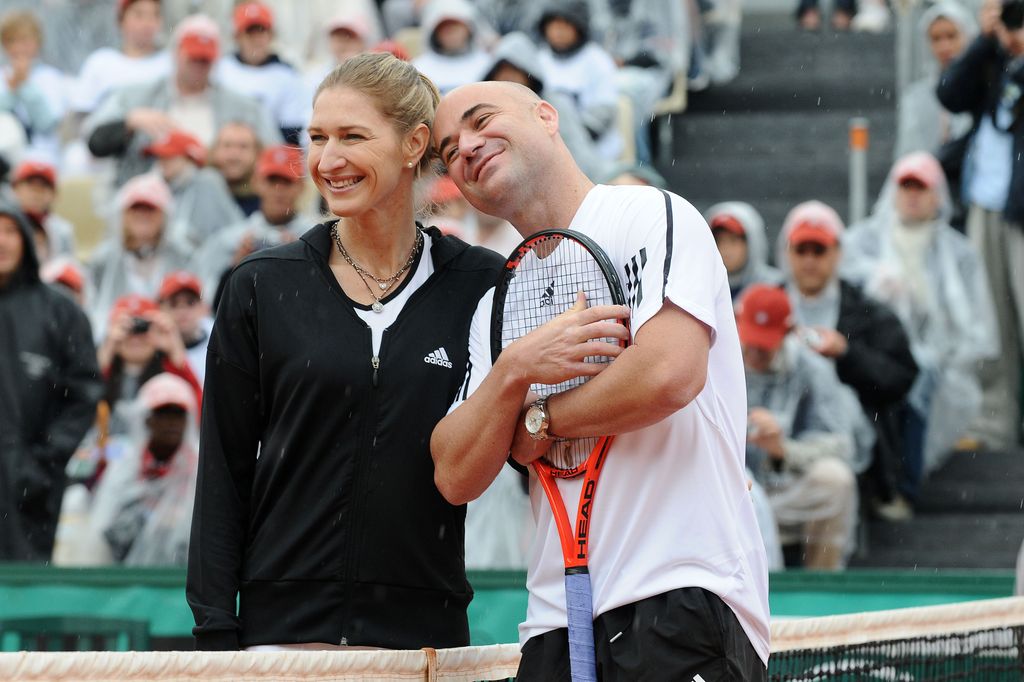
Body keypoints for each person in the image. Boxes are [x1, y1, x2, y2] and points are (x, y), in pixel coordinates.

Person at [431, 81, 770, 680]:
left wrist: (538, 422)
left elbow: (669, 372)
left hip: (680, 590)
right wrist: (515, 369)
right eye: (450, 150)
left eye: (482, 121)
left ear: (547, 116)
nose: (467, 148)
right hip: (554, 624)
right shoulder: (496, 303)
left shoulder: (650, 213)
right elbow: (455, 473)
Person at [186, 52, 504, 651]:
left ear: (414, 144)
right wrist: (215, 631)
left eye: (352, 137)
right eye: (317, 138)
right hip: (281, 638)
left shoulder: (481, 284)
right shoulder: (260, 285)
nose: (327, 160)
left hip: (424, 642)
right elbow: (224, 472)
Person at [844, 152, 998, 499]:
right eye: (906, 186)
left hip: (936, 361)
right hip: (877, 352)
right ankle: (892, 482)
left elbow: (977, 324)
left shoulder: (960, 253)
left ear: (938, 195)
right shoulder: (861, 242)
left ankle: (905, 483)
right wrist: (876, 285)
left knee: (919, 379)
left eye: (921, 187)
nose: (912, 195)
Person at [777, 200, 917, 519]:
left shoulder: (869, 311)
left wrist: (846, 354)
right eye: (801, 250)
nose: (810, 260)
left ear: (838, 253)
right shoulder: (765, 306)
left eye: (819, 250)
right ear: (787, 253)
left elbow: (901, 378)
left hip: (848, 437)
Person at [936, 0, 1024, 450]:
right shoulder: (994, 58)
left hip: (1019, 209)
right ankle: (996, 425)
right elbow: (950, 94)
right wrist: (986, 43)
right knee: (993, 323)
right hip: (988, 205)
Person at [0, 201, 102, 561]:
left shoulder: (60, 312)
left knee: (24, 587)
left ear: (27, 242)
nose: (2, 241)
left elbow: (84, 393)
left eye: (11, 231)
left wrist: (42, 462)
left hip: (31, 489)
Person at [738, 284, 861, 569]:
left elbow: (841, 444)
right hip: (727, 490)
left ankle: (821, 584)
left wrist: (783, 450)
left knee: (835, 481)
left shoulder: (812, 369)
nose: (755, 352)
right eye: (750, 341)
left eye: (764, 345)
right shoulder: (712, 358)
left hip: (784, 492)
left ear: (787, 333)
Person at [84, 13, 282, 188]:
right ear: (176, 54)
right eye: (193, 58)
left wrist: (239, 158)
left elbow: (276, 157)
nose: (198, 66)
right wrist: (129, 122)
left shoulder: (244, 107)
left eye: (204, 60)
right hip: (149, 199)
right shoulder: (136, 96)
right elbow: (93, 142)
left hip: (219, 198)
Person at [88, 372, 199, 566]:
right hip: (126, 572)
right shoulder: (126, 466)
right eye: (163, 413)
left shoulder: (198, 470)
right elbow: (102, 523)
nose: (172, 422)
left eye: (178, 414)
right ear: (147, 419)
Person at [191, 144, 310, 299]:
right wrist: (236, 268)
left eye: (287, 181)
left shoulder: (313, 238)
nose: (278, 190)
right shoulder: (231, 239)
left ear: (301, 187)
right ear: (256, 182)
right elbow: (205, 298)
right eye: (272, 180)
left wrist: (303, 262)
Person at [87, 172, 190, 339]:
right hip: (117, 343)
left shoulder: (183, 256)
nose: (143, 215)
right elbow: (92, 308)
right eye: (136, 208)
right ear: (122, 215)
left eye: (150, 209)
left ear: (165, 216)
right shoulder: (103, 259)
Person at [215, 3, 307, 145]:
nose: (256, 39)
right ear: (237, 36)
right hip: (224, 146)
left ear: (271, 35)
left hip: (269, 148)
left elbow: (292, 131)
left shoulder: (287, 75)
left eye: (261, 31)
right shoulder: (220, 69)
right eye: (250, 32)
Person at [70, 0, 171, 120]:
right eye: (139, 15)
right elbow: (81, 116)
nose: (147, 23)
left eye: (155, 15)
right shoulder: (101, 62)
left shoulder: (171, 63)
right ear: (121, 20)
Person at [144, 129, 244, 247]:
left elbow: (231, 234)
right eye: (160, 157)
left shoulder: (206, 182)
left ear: (189, 159)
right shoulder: (159, 187)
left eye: (169, 156)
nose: (162, 162)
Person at [0, 10, 67, 163]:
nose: (18, 47)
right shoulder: (2, 77)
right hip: (4, 158)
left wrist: (24, 86)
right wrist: (11, 92)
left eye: (24, 40)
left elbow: (47, 124)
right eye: (12, 41)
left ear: (37, 42)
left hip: (44, 156)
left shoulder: (50, 77)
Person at [705, 201, 784, 301]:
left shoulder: (776, 287)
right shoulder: (700, 290)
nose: (725, 248)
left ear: (752, 244)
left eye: (733, 240)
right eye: (719, 241)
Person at [10, 159, 76, 263]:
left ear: (54, 194)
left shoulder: (63, 230)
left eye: (43, 187)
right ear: (15, 189)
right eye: (31, 186)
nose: (37, 193)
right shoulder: (5, 223)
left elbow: (67, 265)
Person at [157, 270, 213, 385]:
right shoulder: (152, 346)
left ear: (203, 307)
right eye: (174, 304)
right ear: (161, 309)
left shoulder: (219, 340)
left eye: (190, 303)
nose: (182, 311)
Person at [209, 121, 263, 216]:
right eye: (227, 146)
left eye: (243, 147)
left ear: (257, 153)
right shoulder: (200, 192)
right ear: (214, 151)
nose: (234, 154)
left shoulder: (266, 199)